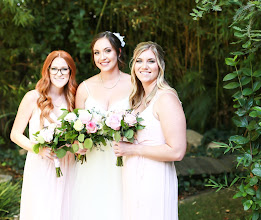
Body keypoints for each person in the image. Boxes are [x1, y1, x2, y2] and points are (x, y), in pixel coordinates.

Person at [113, 41, 186, 220]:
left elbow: (177, 151)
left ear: (160, 66)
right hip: (134, 177)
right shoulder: (137, 100)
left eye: (151, 61)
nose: (144, 66)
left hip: (155, 178)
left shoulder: (166, 98)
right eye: (139, 61)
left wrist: (132, 149)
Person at [71, 31, 132, 220]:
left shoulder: (134, 84)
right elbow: (74, 133)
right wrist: (77, 146)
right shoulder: (84, 88)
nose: (102, 57)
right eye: (97, 52)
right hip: (92, 161)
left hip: (123, 159)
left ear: (119, 52)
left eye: (107, 51)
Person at [10, 50, 77, 220]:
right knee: (41, 211)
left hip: (67, 165)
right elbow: (15, 134)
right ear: (47, 71)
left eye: (64, 69)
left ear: (70, 72)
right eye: (54, 69)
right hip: (40, 164)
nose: (59, 73)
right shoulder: (33, 98)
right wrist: (37, 149)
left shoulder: (73, 99)